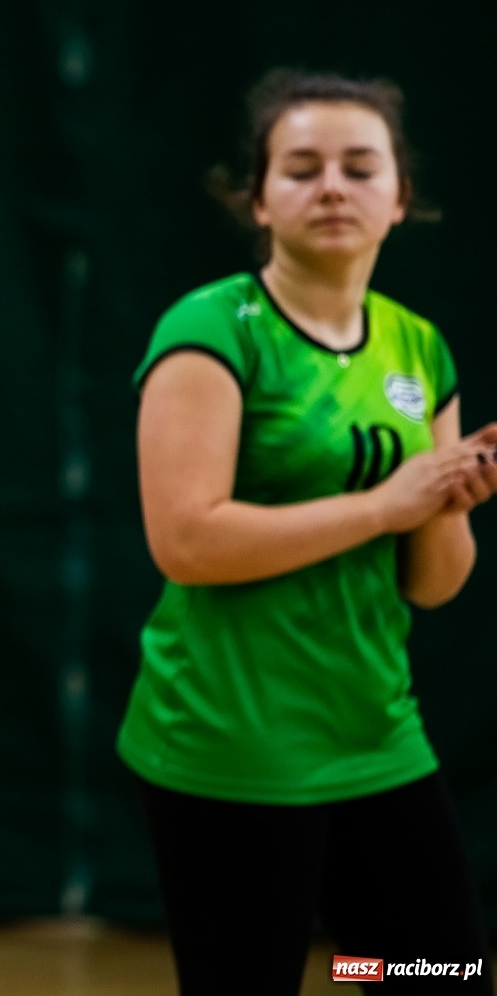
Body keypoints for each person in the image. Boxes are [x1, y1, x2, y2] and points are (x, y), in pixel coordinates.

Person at [119, 69, 497, 994]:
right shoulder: (213, 328)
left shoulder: (418, 346)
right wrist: (388, 505)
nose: (332, 187)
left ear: (400, 197)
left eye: (360, 168)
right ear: (258, 200)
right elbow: (187, 542)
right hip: (231, 745)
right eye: (302, 169)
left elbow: (432, 583)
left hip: (377, 736)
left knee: (432, 973)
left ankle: (352, 971)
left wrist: (448, 502)